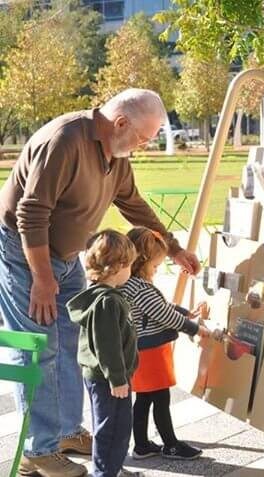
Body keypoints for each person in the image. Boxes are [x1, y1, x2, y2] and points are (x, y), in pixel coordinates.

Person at [0, 88, 201, 477]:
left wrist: (172, 248)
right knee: (37, 347)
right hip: (25, 253)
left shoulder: (117, 156)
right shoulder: (65, 141)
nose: (145, 146)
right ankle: (37, 451)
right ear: (121, 123)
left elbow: (135, 205)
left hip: (66, 256)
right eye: (144, 137)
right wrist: (42, 278)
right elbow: (31, 213)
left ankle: (67, 432)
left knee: (81, 339)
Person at [120, 227, 209, 461]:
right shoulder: (140, 288)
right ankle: (171, 444)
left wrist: (185, 312)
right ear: (143, 262)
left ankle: (141, 445)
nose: (157, 270)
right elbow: (164, 315)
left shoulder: (128, 283)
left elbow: (160, 309)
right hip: (151, 352)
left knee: (144, 399)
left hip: (138, 350)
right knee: (161, 399)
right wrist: (196, 328)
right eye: (156, 266)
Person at [67, 230, 139, 477]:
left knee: (110, 426)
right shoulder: (107, 302)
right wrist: (117, 378)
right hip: (109, 379)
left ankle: (112, 468)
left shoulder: (100, 296)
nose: (131, 270)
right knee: (114, 429)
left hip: (102, 377)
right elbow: (107, 344)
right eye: (129, 265)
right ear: (117, 267)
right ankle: (106, 472)